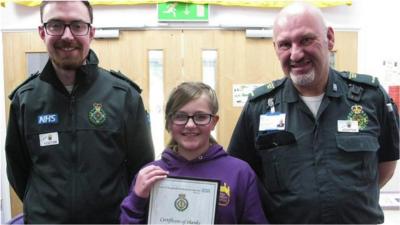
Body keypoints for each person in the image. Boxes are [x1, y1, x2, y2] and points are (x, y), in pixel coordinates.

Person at [228, 3, 399, 224]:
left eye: (306, 40)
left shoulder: (371, 98)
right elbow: (236, 172)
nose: (296, 54)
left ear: (329, 38)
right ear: (275, 49)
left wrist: (350, 200)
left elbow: (386, 165)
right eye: (285, 45)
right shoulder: (258, 107)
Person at [5, 1, 154, 223]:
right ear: (42, 32)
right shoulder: (25, 99)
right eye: (55, 25)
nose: (67, 36)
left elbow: (141, 167)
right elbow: (19, 171)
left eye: (77, 25)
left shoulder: (124, 96)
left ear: (91, 32)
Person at [120, 82, 268, 224]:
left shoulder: (240, 173)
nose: (190, 125)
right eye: (180, 116)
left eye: (201, 117)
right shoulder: (149, 175)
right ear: (169, 122)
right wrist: (136, 199)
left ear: (214, 122)